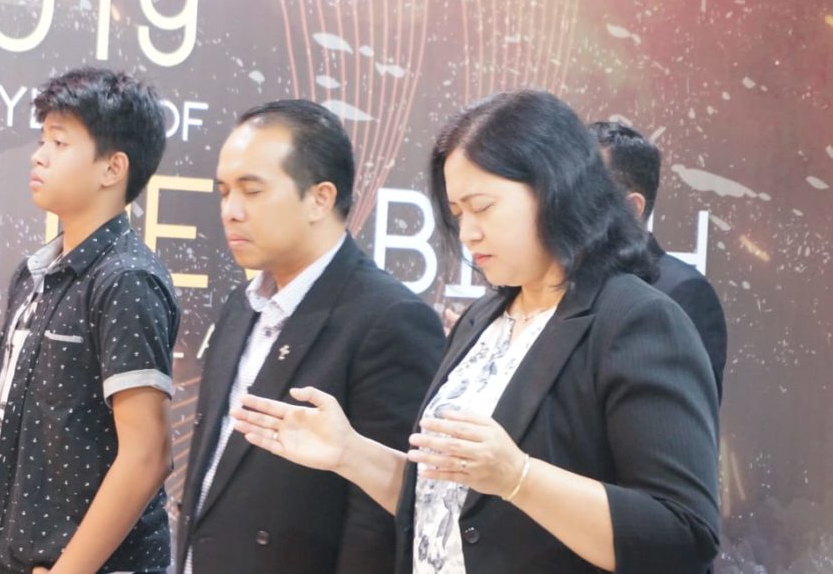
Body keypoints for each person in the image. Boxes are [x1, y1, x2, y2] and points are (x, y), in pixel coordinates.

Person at [231, 90, 721, 573]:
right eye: (458, 213)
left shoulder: (637, 320)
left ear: (556, 189)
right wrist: (351, 454)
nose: (467, 233)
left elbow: (683, 535)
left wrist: (520, 477)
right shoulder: (480, 319)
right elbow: (447, 506)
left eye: (482, 207)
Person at [176, 100, 445, 574]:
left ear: (320, 198)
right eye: (224, 192)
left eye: (252, 191)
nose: (230, 211)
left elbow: (380, 523)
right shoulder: (241, 304)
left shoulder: (390, 319)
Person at [0, 67, 179, 574]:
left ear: (113, 168)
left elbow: (147, 456)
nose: (39, 155)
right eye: (43, 139)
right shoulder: (33, 274)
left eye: (60, 143)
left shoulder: (127, 279)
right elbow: (4, 419)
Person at [590, 121, 728, 401]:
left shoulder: (683, 291)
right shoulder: (559, 283)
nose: (561, 202)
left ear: (632, 207)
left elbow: (686, 416)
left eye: (582, 189)